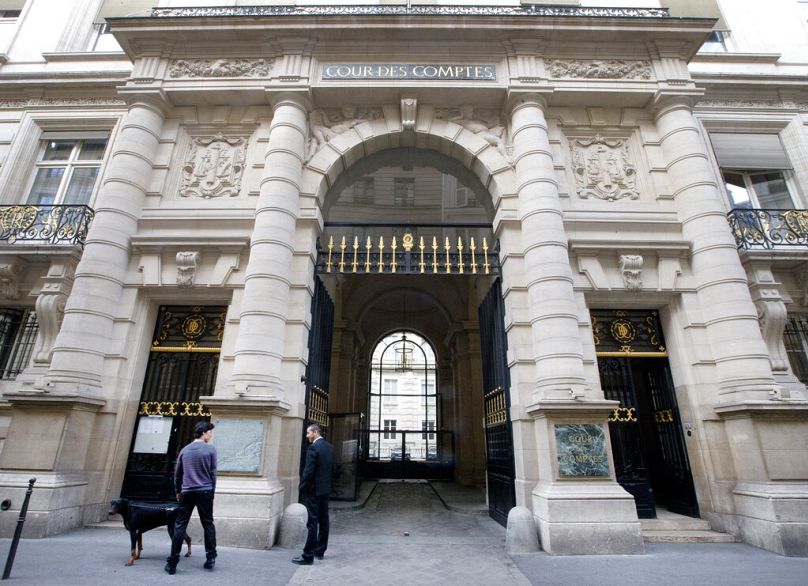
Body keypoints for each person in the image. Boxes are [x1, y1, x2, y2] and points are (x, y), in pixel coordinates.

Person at [165, 421, 217, 575]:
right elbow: (213, 473)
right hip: (205, 491)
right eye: (210, 432)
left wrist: (178, 490)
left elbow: (178, 474)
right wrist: (212, 491)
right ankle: (211, 558)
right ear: (204, 433)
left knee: (180, 525)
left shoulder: (185, 450)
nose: (211, 435)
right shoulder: (210, 450)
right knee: (208, 524)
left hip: (187, 491)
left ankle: (173, 562)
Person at [292, 423, 335, 565]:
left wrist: (302, 487)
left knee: (312, 522)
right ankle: (320, 551)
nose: (307, 436)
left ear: (316, 432)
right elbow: (333, 470)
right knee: (324, 520)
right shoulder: (329, 447)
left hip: (314, 491)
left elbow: (308, 471)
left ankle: (308, 555)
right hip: (325, 489)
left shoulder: (313, 448)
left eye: (308, 433)